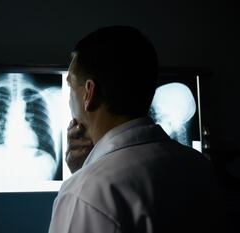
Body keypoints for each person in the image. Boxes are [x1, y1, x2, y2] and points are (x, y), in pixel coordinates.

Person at [48, 26, 223, 233]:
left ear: (89, 93)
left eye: (70, 86)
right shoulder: (200, 167)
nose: (69, 98)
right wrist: (86, 169)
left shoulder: (86, 194)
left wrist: (83, 179)